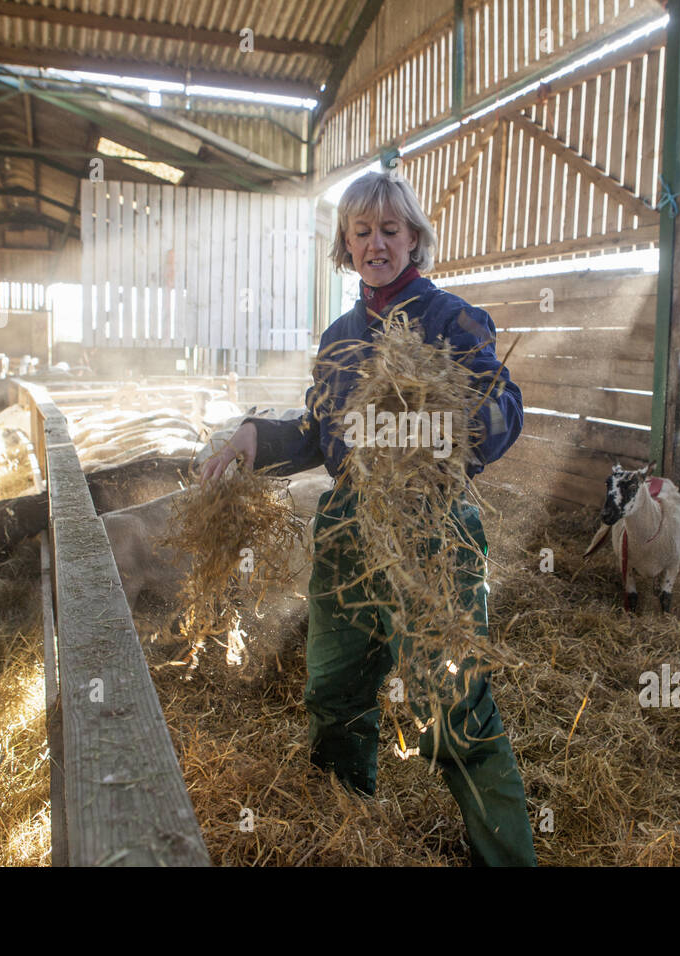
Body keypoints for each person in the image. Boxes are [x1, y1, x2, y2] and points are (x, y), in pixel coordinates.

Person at [200, 170, 535, 867]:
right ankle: (344, 824)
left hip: (429, 533)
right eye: (362, 232)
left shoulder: (454, 322)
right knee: (333, 692)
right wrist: (255, 439)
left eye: (390, 229)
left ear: (414, 237)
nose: (376, 243)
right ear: (346, 247)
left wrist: (445, 427)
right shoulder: (339, 337)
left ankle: (504, 857)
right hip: (350, 532)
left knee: (452, 706)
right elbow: (321, 433)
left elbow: (505, 413)